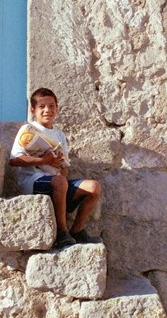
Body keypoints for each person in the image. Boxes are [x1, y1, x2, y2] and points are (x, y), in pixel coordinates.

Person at [10, 87, 102, 248]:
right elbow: (15, 160)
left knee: (93, 187)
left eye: (51, 106)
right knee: (59, 182)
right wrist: (44, 160)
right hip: (33, 182)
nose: (47, 110)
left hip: (58, 185)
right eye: (42, 107)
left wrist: (62, 178)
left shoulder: (59, 135)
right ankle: (62, 232)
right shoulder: (27, 130)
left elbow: (65, 166)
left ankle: (77, 230)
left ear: (57, 108)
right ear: (33, 110)